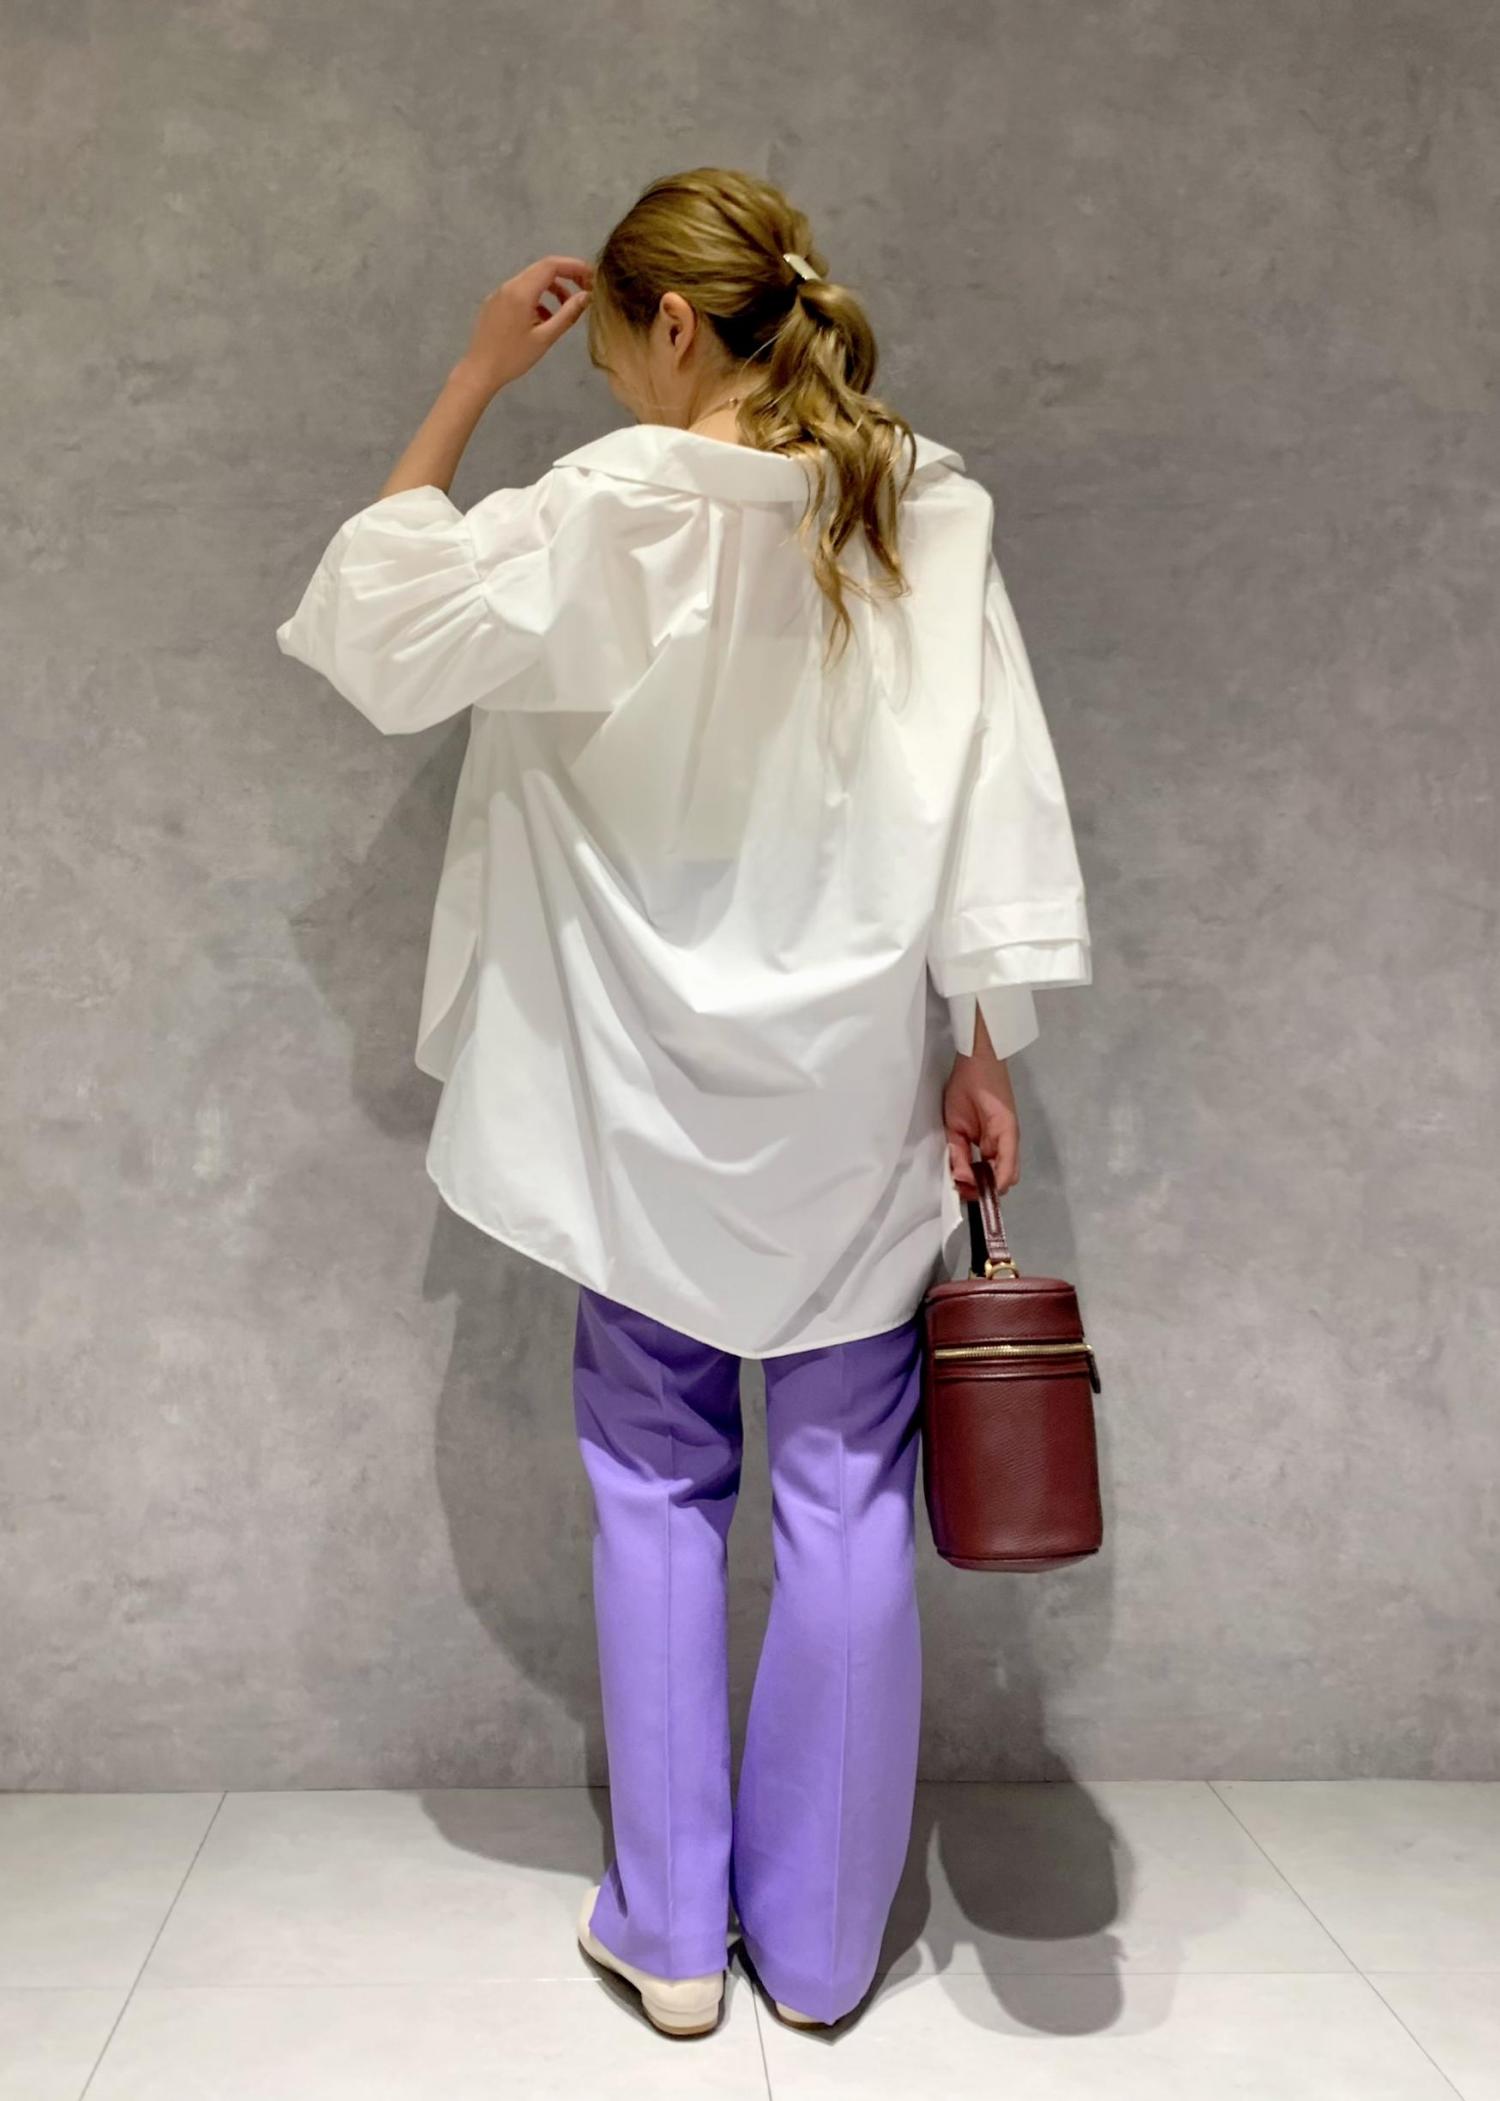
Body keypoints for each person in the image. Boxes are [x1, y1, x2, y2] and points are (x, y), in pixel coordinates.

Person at [275, 167, 1092, 2037]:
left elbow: (381, 623)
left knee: (653, 1483)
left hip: (640, 1090)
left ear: (667, 322)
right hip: (854, 1097)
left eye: (616, 359)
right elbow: (997, 795)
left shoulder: (610, 505)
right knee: (847, 1494)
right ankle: (818, 1946)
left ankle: (666, 1934)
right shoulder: (924, 503)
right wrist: (981, 1041)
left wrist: (474, 375)